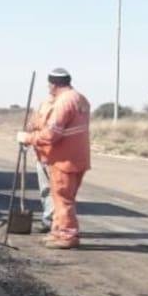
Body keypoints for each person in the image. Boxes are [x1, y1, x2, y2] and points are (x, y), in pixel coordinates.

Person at [17, 68, 90, 249]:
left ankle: (67, 236)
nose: (49, 88)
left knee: (62, 198)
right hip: (77, 157)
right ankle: (57, 231)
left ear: (54, 84)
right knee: (61, 198)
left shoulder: (63, 103)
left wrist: (27, 138)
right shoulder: (80, 99)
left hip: (63, 158)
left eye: (50, 84)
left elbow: (52, 134)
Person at [26, 92, 55, 231]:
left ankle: (58, 225)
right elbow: (32, 125)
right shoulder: (42, 106)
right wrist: (28, 134)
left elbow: (51, 133)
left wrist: (30, 138)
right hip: (41, 154)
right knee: (45, 190)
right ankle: (48, 221)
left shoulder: (60, 109)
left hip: (55, 156)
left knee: (58, 192)